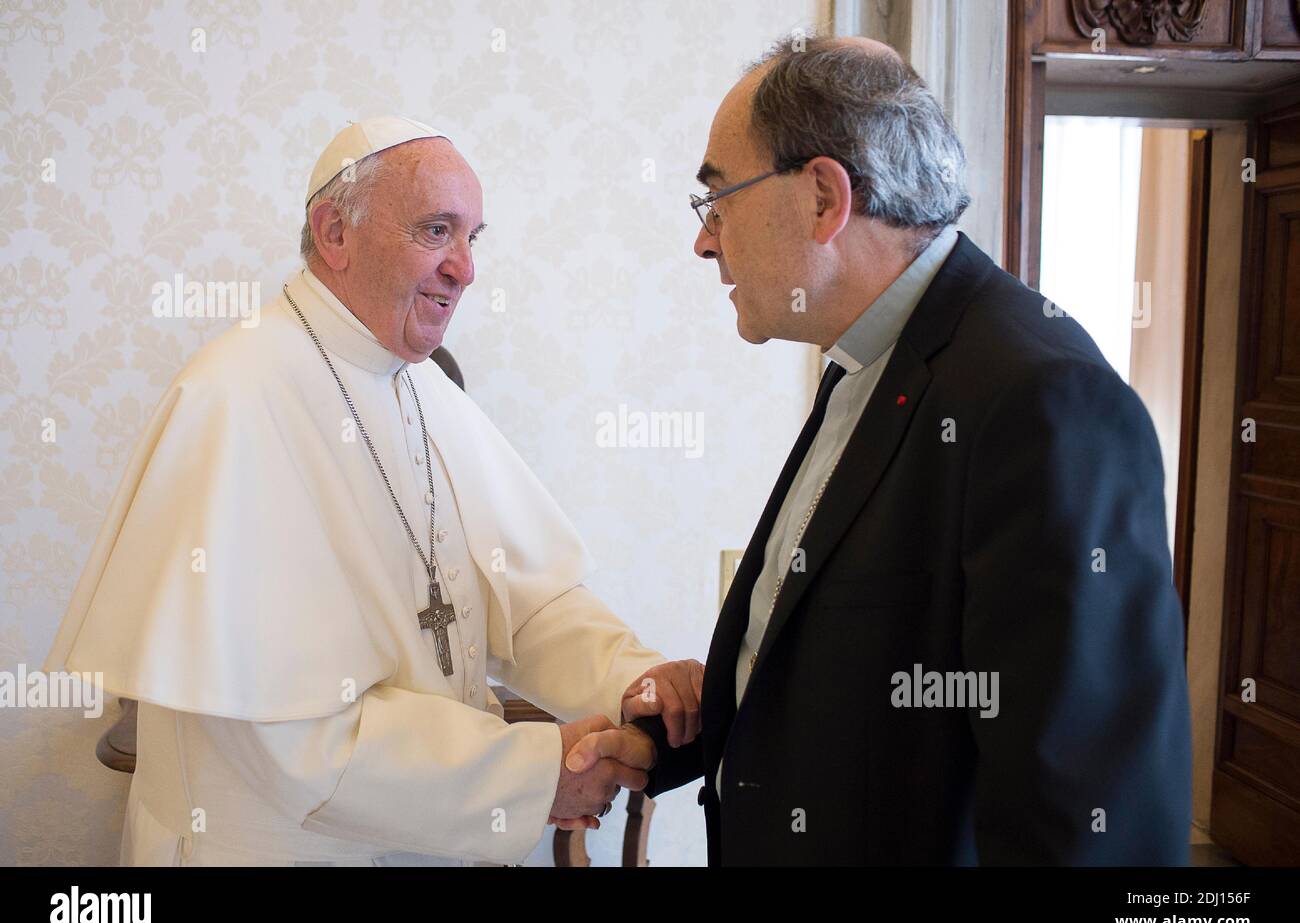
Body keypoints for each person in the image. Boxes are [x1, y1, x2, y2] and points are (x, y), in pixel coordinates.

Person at [46, 116, 696, 866]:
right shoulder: (235, 397)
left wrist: (631, 679)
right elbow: (287, 737)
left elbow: (525, 596)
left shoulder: (419, 386)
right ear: (335, 232)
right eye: (435, 230)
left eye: (472, 237)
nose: (465, 268)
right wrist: (532, 773)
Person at [605, 35, 1191, 865]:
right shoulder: (867, 360)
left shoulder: (1043, 397)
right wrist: (684, 736)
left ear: (822, 197)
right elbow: (874, 685)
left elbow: (1090, 810)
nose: (706, 242)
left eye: (718, 200)